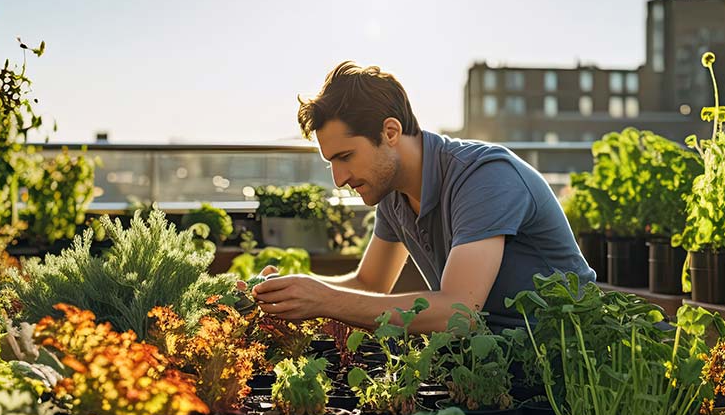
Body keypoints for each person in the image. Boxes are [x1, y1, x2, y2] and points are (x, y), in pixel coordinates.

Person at [251, 61, 595, 332]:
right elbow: (370, 284)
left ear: (390, 132)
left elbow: (457, 312)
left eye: (346, 157)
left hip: (562, 366)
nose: (339, 179)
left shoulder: (485, 177)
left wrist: (323, 300)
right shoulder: (392, 193)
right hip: (489, 367)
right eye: (331, 164)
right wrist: (293, 292)